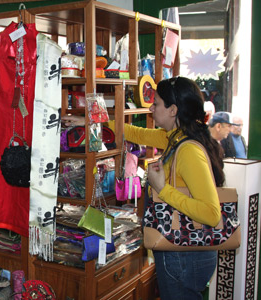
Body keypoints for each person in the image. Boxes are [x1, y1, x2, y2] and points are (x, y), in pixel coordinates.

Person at [62, 76, 224, 300]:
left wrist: (162, 189)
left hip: (185, 254)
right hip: (182, 251)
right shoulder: (174, 139)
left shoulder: (188, 150)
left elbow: (211, 214)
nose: (151, 107)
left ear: (173, 110)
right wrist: (88, 123)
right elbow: (134, 133)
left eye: (156, 103)